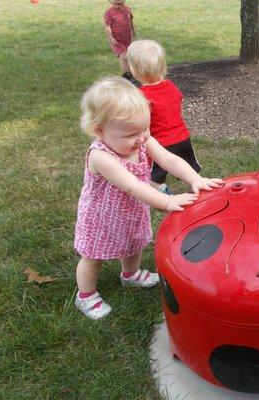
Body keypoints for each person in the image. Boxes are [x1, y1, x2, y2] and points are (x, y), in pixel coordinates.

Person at [74, 76, 222, 320]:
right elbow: (132, 186)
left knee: (134, 243)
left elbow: (169, 159)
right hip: (101, 218)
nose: (142, 137)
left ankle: (130, 274)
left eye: (146, 128)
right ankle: (86, 295)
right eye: (132, 133)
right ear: (101, 131)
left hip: (130, 211)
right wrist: (165, 202)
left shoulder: (142, 141)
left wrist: (194, 179)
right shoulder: (101, 157)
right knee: (93, 257)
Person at [126, 39, 201, 194]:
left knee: (155, 175)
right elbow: (179, 99)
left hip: (160, 143)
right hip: (182, 138)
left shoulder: (142, 97)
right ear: (163, 67)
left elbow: (140, 121)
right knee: (190, 168)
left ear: (134, 71)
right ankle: (198, 187)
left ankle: (161, 191)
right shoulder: (171, 86)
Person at [103, 0, 135, 82]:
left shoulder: (127, 9)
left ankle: (129, 73)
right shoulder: (109, 13)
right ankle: (125, 75)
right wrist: (111, 37)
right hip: (117, 40)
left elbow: (130, 21)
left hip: (127, 38)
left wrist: (132, 31)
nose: (118, 1)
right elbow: (107, 26)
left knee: (128, 55)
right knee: (123, 56)